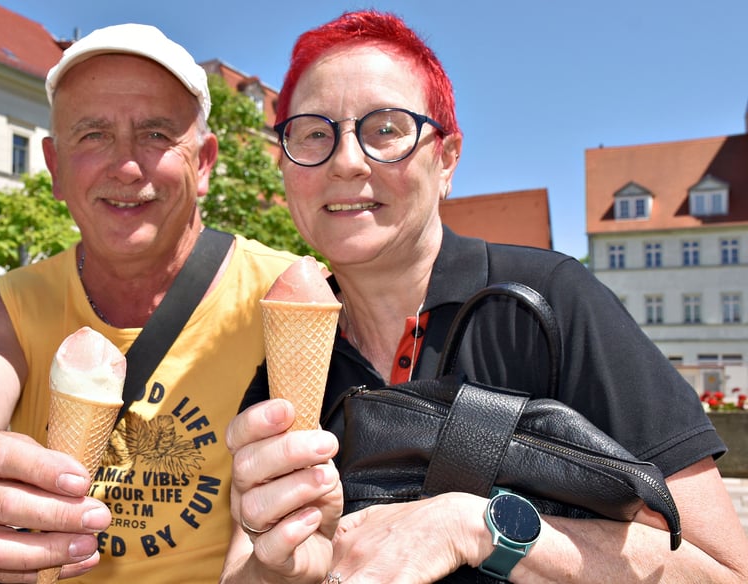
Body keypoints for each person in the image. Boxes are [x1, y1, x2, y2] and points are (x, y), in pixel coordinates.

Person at [222, 10, 748, 584]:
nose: (346, 161)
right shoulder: (286, 360)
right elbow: (240, 573)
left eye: (386, 130)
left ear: (447, 160)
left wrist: (474, 527)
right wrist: (286, 569)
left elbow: (727, 570)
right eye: (314, 133)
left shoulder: (546, 301)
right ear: (284, 163)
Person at [0, 23, 298, 583]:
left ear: (203, 164)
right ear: (54, 167)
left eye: (155, 134)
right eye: (92, 135)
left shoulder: (286, 294)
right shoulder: (2, 308)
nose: (126, 166)